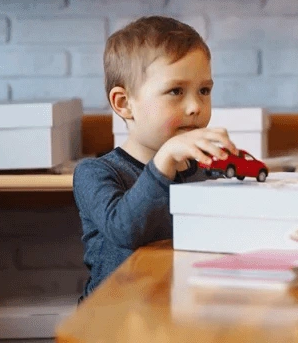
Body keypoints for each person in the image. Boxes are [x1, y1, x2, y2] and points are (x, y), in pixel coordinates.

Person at [73, 16, 236, 300]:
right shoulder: (95, 173)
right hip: (114, 319)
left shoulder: (206, 170)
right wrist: (165, 159)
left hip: (183, 307)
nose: (196, 106)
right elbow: (125, 229)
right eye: (176, 91)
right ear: (124, 104)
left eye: (204, 91)